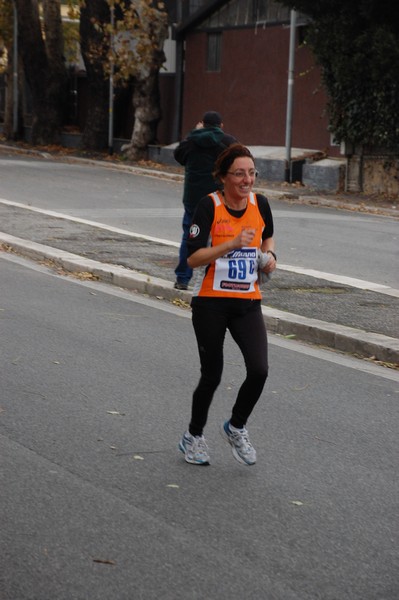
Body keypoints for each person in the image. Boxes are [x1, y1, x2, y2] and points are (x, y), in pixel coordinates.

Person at [179, 144, 277, 466]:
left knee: (259, 370)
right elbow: (193, 258)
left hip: (247, 302)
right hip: (211, 303)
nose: (247, 179)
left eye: (251, 173)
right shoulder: (209, 206)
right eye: (239, 173)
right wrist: (232, 244)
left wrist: (270, 257)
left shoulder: (260, 203)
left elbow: (268, 237)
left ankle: (236, 426)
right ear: (223, 177)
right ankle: (193, 436)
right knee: (213, 375)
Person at [173, 111, 237, 290]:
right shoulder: (228, 142)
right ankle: (215, 279)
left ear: (202, 123)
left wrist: (194, 132)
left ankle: (182, 278)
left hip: (193, 198)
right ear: (221, 125)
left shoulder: (191, 141)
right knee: (220, 237)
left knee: (189, 236)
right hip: (218, 198)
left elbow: (179, 156)